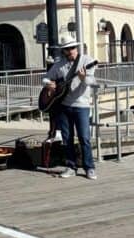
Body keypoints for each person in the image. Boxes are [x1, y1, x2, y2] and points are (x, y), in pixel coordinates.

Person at [42, 34, 98, 180]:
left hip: (81, 105)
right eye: (67, 49)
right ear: (64, 51)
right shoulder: (59, 64)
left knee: (84, 137)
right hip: (63, 105)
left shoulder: (88, 61)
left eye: (72, 48)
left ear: (76, 48)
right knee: (67, 138)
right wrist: (50, 84)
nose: (71, 51)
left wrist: (83, 78)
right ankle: (70, 166)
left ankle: (89, 168)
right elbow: (45, 78)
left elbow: (92, 82)